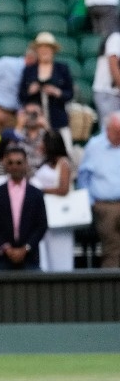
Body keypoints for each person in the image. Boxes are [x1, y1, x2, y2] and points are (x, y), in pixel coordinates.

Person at [0, 146, 47, 270]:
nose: (15, 166)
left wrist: (26, 248)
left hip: (30, 257)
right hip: (4, 257)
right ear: (5, 165)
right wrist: (6, 248)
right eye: (10, 163)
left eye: (19, 162)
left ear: (25, 164)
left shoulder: (35, 193)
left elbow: (42, 225)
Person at [77, 111, 120, 268]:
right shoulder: (95, 146)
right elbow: (83, 177)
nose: (118, 137)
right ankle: (111, 288)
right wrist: (90, 202)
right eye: (116, 133)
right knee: (112, 249)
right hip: (104, 206)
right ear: (108, 129)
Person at [20, 32, 74, 150]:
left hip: (58, 120)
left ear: (53, 50)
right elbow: (21, 96)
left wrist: (56, 92)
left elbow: (69, 93)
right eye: (41, 48)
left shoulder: (62, 69)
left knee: (65, 151)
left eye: (47, 48)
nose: (44, 51)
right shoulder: (29, 71)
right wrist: (31, 91)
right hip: (35, 123)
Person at [30, 130, 74, 271]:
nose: (41, 144)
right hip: (44, 213)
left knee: (61, 256)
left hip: (59, 216)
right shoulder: (45, 162)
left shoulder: (64, 163)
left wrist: (40, 190)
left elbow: (63, 189)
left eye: (44, 142)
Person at [91, 27, 120, 122]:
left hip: (115, 94)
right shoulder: (116, 37)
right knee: (109, 130)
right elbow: (113, 66)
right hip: (107, 93)